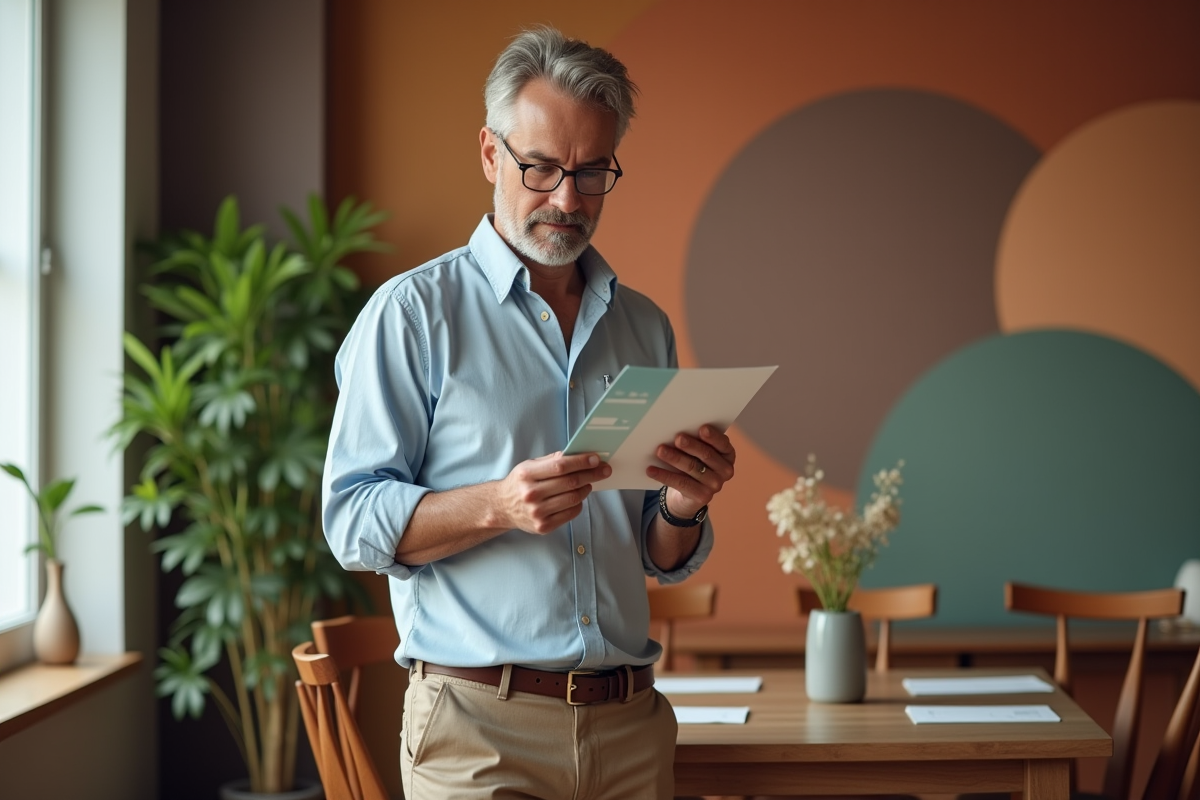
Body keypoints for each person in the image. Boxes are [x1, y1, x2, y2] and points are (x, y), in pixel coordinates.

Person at [322, 25, 737, 800]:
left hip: (630, 730)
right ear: (490, 154)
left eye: (591, 173)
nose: (567, 199)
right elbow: (351, 523)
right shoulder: (411, 316)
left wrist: (683, 503)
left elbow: (653, 550)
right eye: (541, 167)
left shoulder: (643, 327)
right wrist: (499, 505)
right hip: (478, 734)